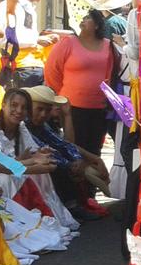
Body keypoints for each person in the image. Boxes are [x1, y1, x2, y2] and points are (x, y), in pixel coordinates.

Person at [0, 89, 79, 231]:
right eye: (14, 105)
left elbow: (31, 152)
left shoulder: (21, 127)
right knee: (6, 179)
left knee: (42, 172)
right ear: (3, 105)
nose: (18, 111)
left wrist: (40, 155)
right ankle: (18, 226)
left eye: (24, 108)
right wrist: (31, 164)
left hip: (10, 169)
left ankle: (44, 217)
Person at [24, 85, 111, 221]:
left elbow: (63, 144)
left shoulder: (42, 125)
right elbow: (38, 148)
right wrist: (72, 165)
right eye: (39, 109)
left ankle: (74, 205)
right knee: (56, 165)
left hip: (26, 163)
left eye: (47, 110)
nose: (43, 115)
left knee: (64, 162)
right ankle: (71, 207)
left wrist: (78, 160)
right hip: (23, 165)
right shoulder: (24, 125)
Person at [44, 9, 118, 160]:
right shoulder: (68, 43)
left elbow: (112, 72)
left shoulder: (108, 45)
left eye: (87, 18)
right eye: (82, 18)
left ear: (97, 25)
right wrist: (60, 96)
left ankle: (90, 182)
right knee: (73, 147)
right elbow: (52, 71)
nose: (82, 21)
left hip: (99, 107)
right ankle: (74, 182)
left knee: (94, 147)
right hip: (71, 108)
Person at [0, 0, 59, 87]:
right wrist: (36, 40)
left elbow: (22, 34)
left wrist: (42, 38)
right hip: (20, 68)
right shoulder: (11, 6)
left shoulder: (28, 8)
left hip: (33, 67)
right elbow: (5, 39)